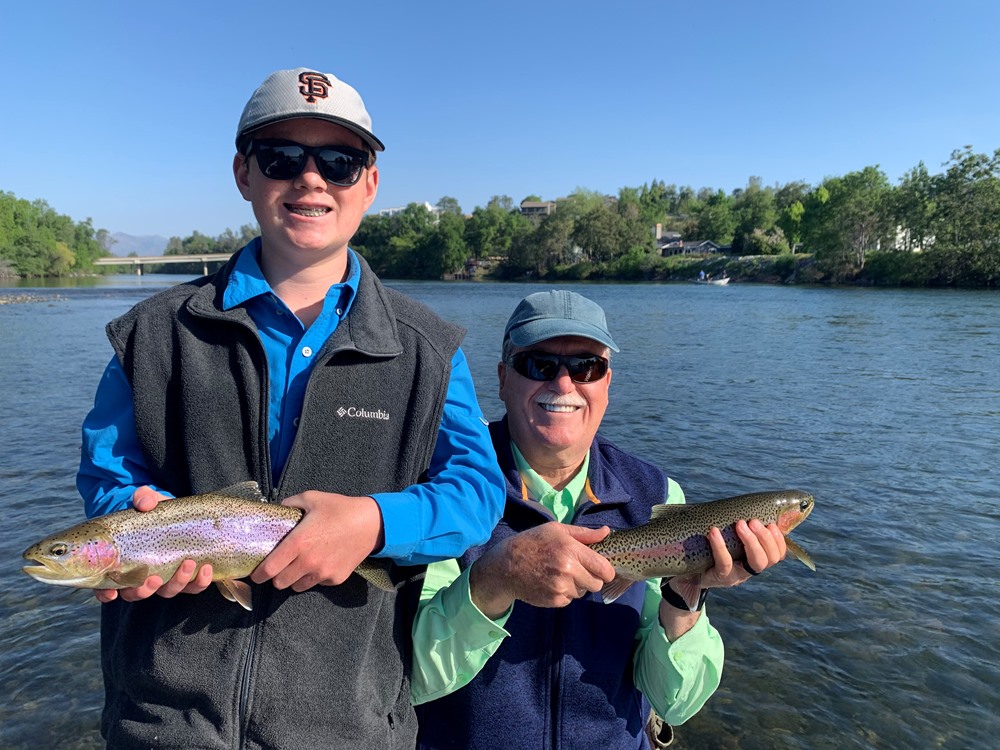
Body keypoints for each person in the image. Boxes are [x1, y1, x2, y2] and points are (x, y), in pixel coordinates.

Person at [76, 67, 506, 749]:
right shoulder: (149, 335)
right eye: (283, 158)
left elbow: (478, 494)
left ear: (369, 183)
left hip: (351, 728)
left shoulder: (429, 350)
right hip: (160, 725)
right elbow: (106, 478)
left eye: (339, 162)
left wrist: (373, 523)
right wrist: (140, 521)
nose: (311, 179)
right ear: (245, 174)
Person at [410, 290, 788, 749]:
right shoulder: (445, 486)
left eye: (586, 366)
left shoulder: (657, 495)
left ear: (607, 382)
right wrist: (494, 580)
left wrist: (685, 597)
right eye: (540, 365)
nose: (564, 384)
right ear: (503, 378)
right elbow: (412, 677)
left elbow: (675, 705)